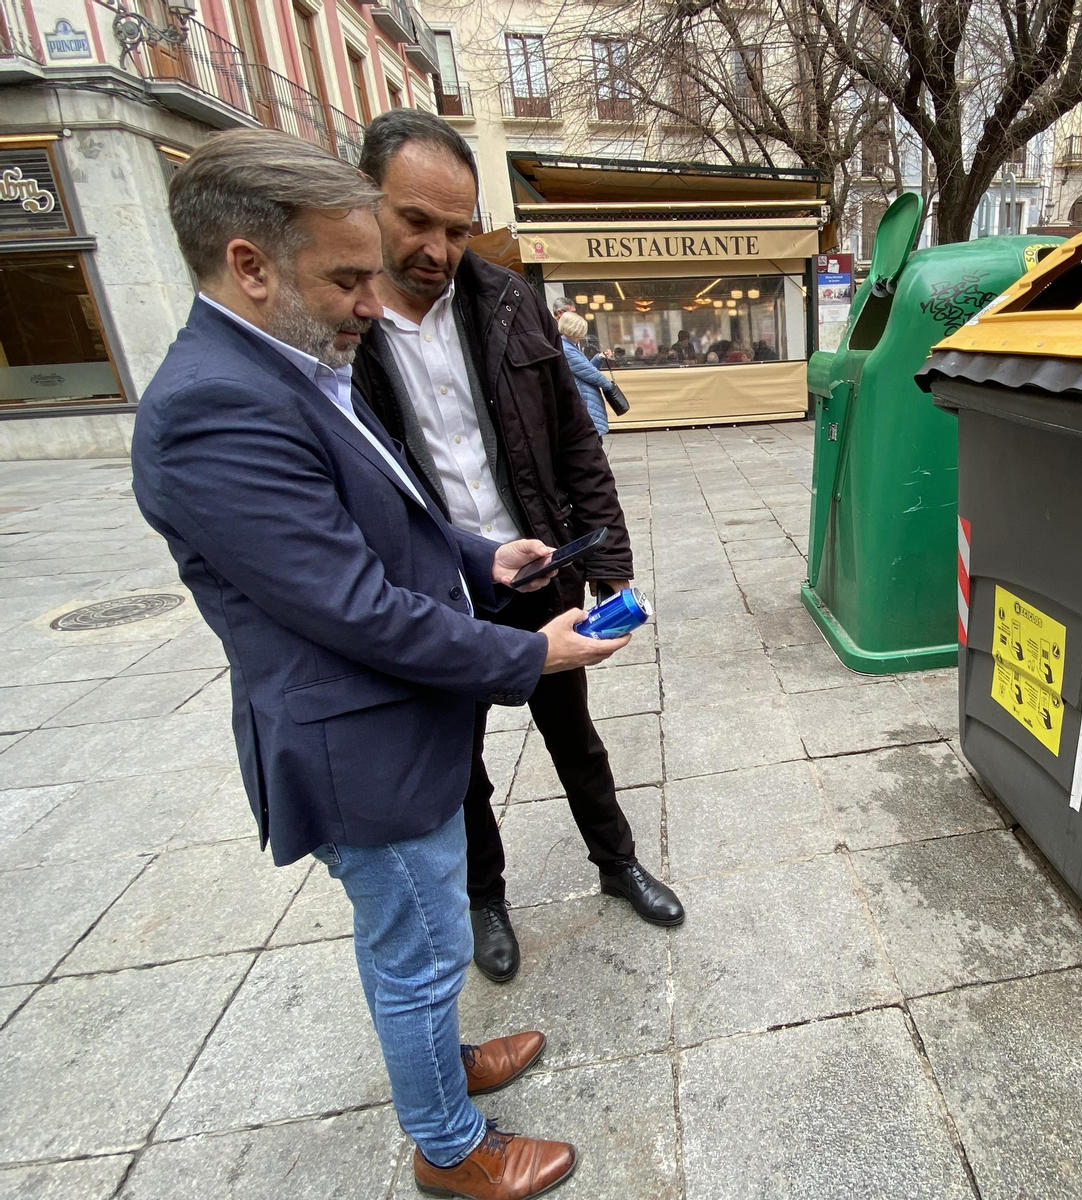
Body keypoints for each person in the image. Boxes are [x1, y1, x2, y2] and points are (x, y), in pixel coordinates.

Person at [133, 130, 627, 1199]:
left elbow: (387, 515)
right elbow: (353, 607)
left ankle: (442, 1062)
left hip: (394, 723)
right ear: (250, 266)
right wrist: (527, 651)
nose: (372, 302)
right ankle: (449, 1146)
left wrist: (481, 555)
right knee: (420, 953)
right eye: (347, 278)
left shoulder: (287, 363)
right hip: (360, 748)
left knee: (423, 938)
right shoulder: (214, 409)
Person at [351, 112, 683, 989]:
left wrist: (607, 558)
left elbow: (576, 439)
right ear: (365, 200)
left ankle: (618, 864)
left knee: (575, 736)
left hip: (534, 566)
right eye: (415, 221)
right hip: (431, 587)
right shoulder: (343, 324)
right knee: (457, 765)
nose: (439, 249)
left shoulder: (506, 299)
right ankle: (485, 900)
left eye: (458, 229)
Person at [559, 310, 613, 439]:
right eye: (580, 332)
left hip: (586, 398)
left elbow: (586, 370)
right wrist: (610, 387)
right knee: (592, 440)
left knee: (593, 440)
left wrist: (598, 358)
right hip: (585, 399)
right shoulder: (567, 349)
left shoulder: (570, 346)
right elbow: (589, 372)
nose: (582, 336)